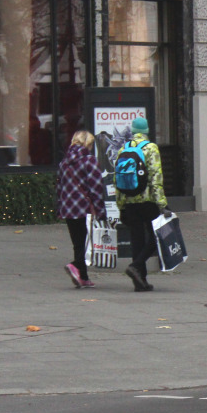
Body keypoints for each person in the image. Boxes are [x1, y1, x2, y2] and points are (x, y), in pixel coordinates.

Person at [115, 116, 167, 292]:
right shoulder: (151, 148)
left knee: (136, 239)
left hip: (129, 200)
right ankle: (136, 266)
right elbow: (155, 178)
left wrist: (120, 204)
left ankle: (140, 281)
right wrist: (162, 203)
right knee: (156, 238)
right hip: (147, 200)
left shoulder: (124, 148)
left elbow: (117, 179)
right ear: (146, 132)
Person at [55, 130, 104, 288]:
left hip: (68, 208)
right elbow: (96, 187)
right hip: (85, 208)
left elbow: (59, 187)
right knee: (87, 242)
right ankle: (75, 265)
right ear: (88, 144)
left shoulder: (64, 162)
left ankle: (82, 277)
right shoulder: (89, 161)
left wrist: (59, 208)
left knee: (78, 243)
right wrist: (101, 211)